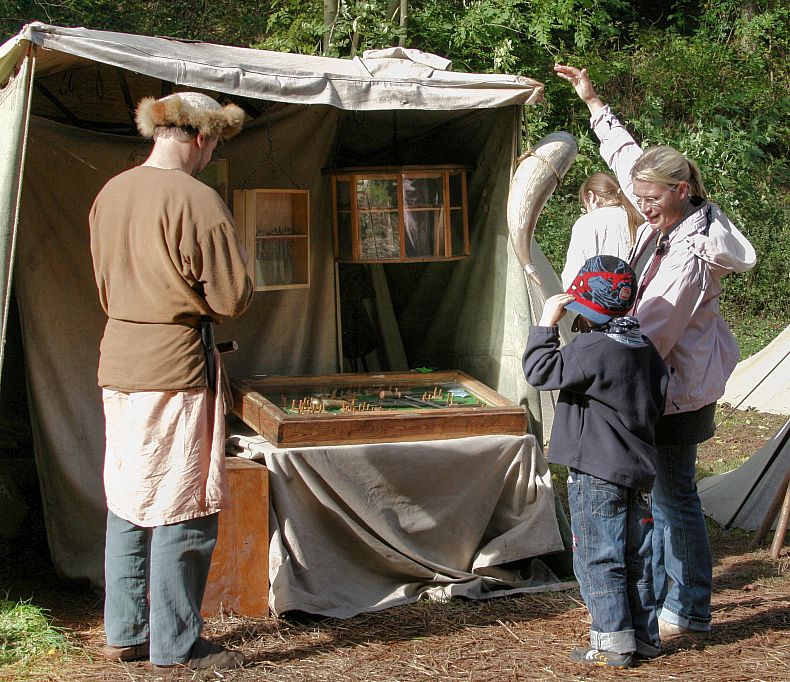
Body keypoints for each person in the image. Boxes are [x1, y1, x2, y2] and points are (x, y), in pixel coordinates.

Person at [554, 63, 757, 638]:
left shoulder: (690, 254)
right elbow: (627, 157)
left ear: (681, 190)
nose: (640, 206)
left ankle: (687, 608)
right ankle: (672, 597)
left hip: (676, 387)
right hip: (657, 382)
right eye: (637, 196)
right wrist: (593, 101)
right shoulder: (663, 207)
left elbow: (651, 337)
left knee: (673, 498)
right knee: (666, 494)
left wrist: (596, 356)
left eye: (649, 198)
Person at [89, 92, 254, 670]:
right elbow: (231, 297)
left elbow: (104, 283)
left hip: (119, 362)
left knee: (129, 494)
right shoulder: (197, 198)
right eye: (215, 144)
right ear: (202, 138)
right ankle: (177, 643)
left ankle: (124, 631)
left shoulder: (111, 192)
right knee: (184, 500)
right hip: (175, 368)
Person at [523, 255, 668, 668]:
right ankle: (644, 638)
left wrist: (546, 323)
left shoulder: (591, 349)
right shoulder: (645, 348)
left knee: (598, 556)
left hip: (595, 472)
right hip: (637, 470)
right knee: (636, 557)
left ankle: (612, 644)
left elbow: (539, 371)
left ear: (585, 307)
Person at [560, 172, 645, 288]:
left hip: (600, 297)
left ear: (591, 196)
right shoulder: (640, 218)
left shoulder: (587, 222)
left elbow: (573, 276)